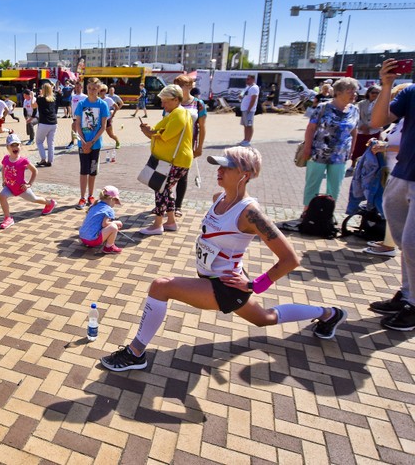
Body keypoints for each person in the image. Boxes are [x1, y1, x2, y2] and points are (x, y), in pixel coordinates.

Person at [101, 147, 348, 372]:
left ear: (246, 174)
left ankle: (135, 353)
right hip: (216, 279)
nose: (219, 171)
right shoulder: (219, 197)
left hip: (225, 287)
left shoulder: (251, 213)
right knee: (266, 318)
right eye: (219, 166)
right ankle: (328, 313)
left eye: (226, 167)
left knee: (161, 286)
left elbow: (290, 259)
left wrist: (255, 285)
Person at [370, 60, 415, 331]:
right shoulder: (411, 93)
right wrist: (387, 85)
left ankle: (413, 305)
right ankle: (408, 294)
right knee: (403, 241)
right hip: (403, 172)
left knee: (412, 243)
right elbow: (377, 121)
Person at [138, 84, 193, 235]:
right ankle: (171, 222)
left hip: (174, 161)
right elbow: (156, 130)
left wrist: (150, 132)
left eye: (165, 101)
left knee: (160, 189)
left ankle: (157, 225)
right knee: (166, 189)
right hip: (175, 160)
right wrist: (149, 131)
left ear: (176, 100)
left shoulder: (178, 114)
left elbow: (163, 136)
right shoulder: (177, 113)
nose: (162, 104)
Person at [364, 83, 410, 257]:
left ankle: (390, 246)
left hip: (402, 171)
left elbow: (404, 146)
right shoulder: (402, 120)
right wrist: (381, 143)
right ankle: (387, 242)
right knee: (389, 205)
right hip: (393, 169)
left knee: (395, 208)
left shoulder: (408, 121)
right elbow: (385, 131)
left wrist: (385, 148)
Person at [300, 77, 359, 211]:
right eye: (350, 91)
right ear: (338, 92)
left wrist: (352, 150)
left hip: (340, 155)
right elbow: (310, 128)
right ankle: (307, 212)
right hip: (318, 153)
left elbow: (354, 132)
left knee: (335, 186)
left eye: (355, 92)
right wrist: (307, 148)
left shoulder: (355, 110)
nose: (354, 94)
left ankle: (328, 213)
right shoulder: (323, 107)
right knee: (312, 184)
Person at [0, 134, 56, 229]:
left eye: (17, 145)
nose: (15, 147)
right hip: (9, 187)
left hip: (21, 188)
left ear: (21, 146)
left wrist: (29, 184)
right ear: (7, 147)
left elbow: (34, 171)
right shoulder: (5, 159)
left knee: (35, 199)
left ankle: (50, 203)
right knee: (2, 196)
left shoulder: (23, 160)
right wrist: (3, 179)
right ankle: (8, 218)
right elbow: (3, 168)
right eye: (12, 145)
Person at [173, 75, 208, 214]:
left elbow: (202, 127)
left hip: (188, 145)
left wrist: (199, 147)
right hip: (170, 144)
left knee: (182, 175)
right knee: (165, 174)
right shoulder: (172, 101)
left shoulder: (198, 104)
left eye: (181, 86)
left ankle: (177, 206)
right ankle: (164, 203)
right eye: (176, 85)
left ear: (189, 87)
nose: (178, 89)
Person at [73, 78, 110, 209]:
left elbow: (103, 126)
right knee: (84, 170)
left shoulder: (102, 105)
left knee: (93, 171)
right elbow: (77, 124)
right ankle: (82, 197)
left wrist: (92, 142)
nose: (92, 91)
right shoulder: (81, 104)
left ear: (99, 89)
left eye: (95, 88)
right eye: (89, 88)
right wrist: (84, 142)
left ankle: (90, 195)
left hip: (96, 144)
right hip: (82, 143)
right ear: (86, 88)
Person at [78, 186, 124, 254]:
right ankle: (109, 247)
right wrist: (115, 223)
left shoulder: (95, 205)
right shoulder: (109, 209)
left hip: (82, 237)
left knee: (107, 226)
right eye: (115, 201)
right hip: (92, 241)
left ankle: (91, 242)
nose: (115, 204)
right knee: (113, 227)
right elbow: (104, 224)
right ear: (112, 199)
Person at [349, 85, 382, 174]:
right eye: (373, 92)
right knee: (357, 148)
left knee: (372, 149)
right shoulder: (361, 103)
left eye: (377, 93)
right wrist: (362, 126)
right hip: (361, 130)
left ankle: (369, 167)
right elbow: (356, 116)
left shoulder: (382, 105)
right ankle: (353, 165)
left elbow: (382, 118)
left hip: (374, 130)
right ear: (368, 93)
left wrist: (369, 126)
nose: (375, 94)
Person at [35, 83, 58, 167]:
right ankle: (50, 160)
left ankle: (43, 159)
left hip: (44, 122)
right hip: (53, 122)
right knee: (50, 143)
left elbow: (33, 105)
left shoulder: (40, 99)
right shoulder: (53, 99)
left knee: (39, 141)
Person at [239, 74, 259, 146]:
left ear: (253, 80)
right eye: (246, 79)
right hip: (244, 109)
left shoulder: (254, 88)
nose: (246, 80)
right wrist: (241, 96)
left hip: (249, 110)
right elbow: (243, 94)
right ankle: (245, 139)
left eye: (248, 79)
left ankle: (248, 140)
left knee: (249, 125)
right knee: (245, 125)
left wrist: (249, 109)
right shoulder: (248, 87)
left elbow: (253, 99)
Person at [101, 84, 122, 149]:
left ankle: (117, 141)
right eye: (101, 90)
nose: (102, 92)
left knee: (111, 135)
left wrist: (112, 116)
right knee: (96, 134)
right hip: (98, 120)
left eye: (103, 90)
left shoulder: (108, 99)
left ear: (106, 91)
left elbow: (117, 107)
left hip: (107, 119)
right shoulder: (97, 99)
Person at [67, 81, 86, 149]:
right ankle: (72, 142)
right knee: (74, 128)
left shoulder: (84, 97)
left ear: (81, 87)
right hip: (74, 116)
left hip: (82, 116)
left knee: (77, 127)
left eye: (78, 87)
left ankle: (82, 141)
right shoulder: (73, 96)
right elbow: (72, 105)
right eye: (76, 87)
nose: (77, 88)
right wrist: (71, 113)